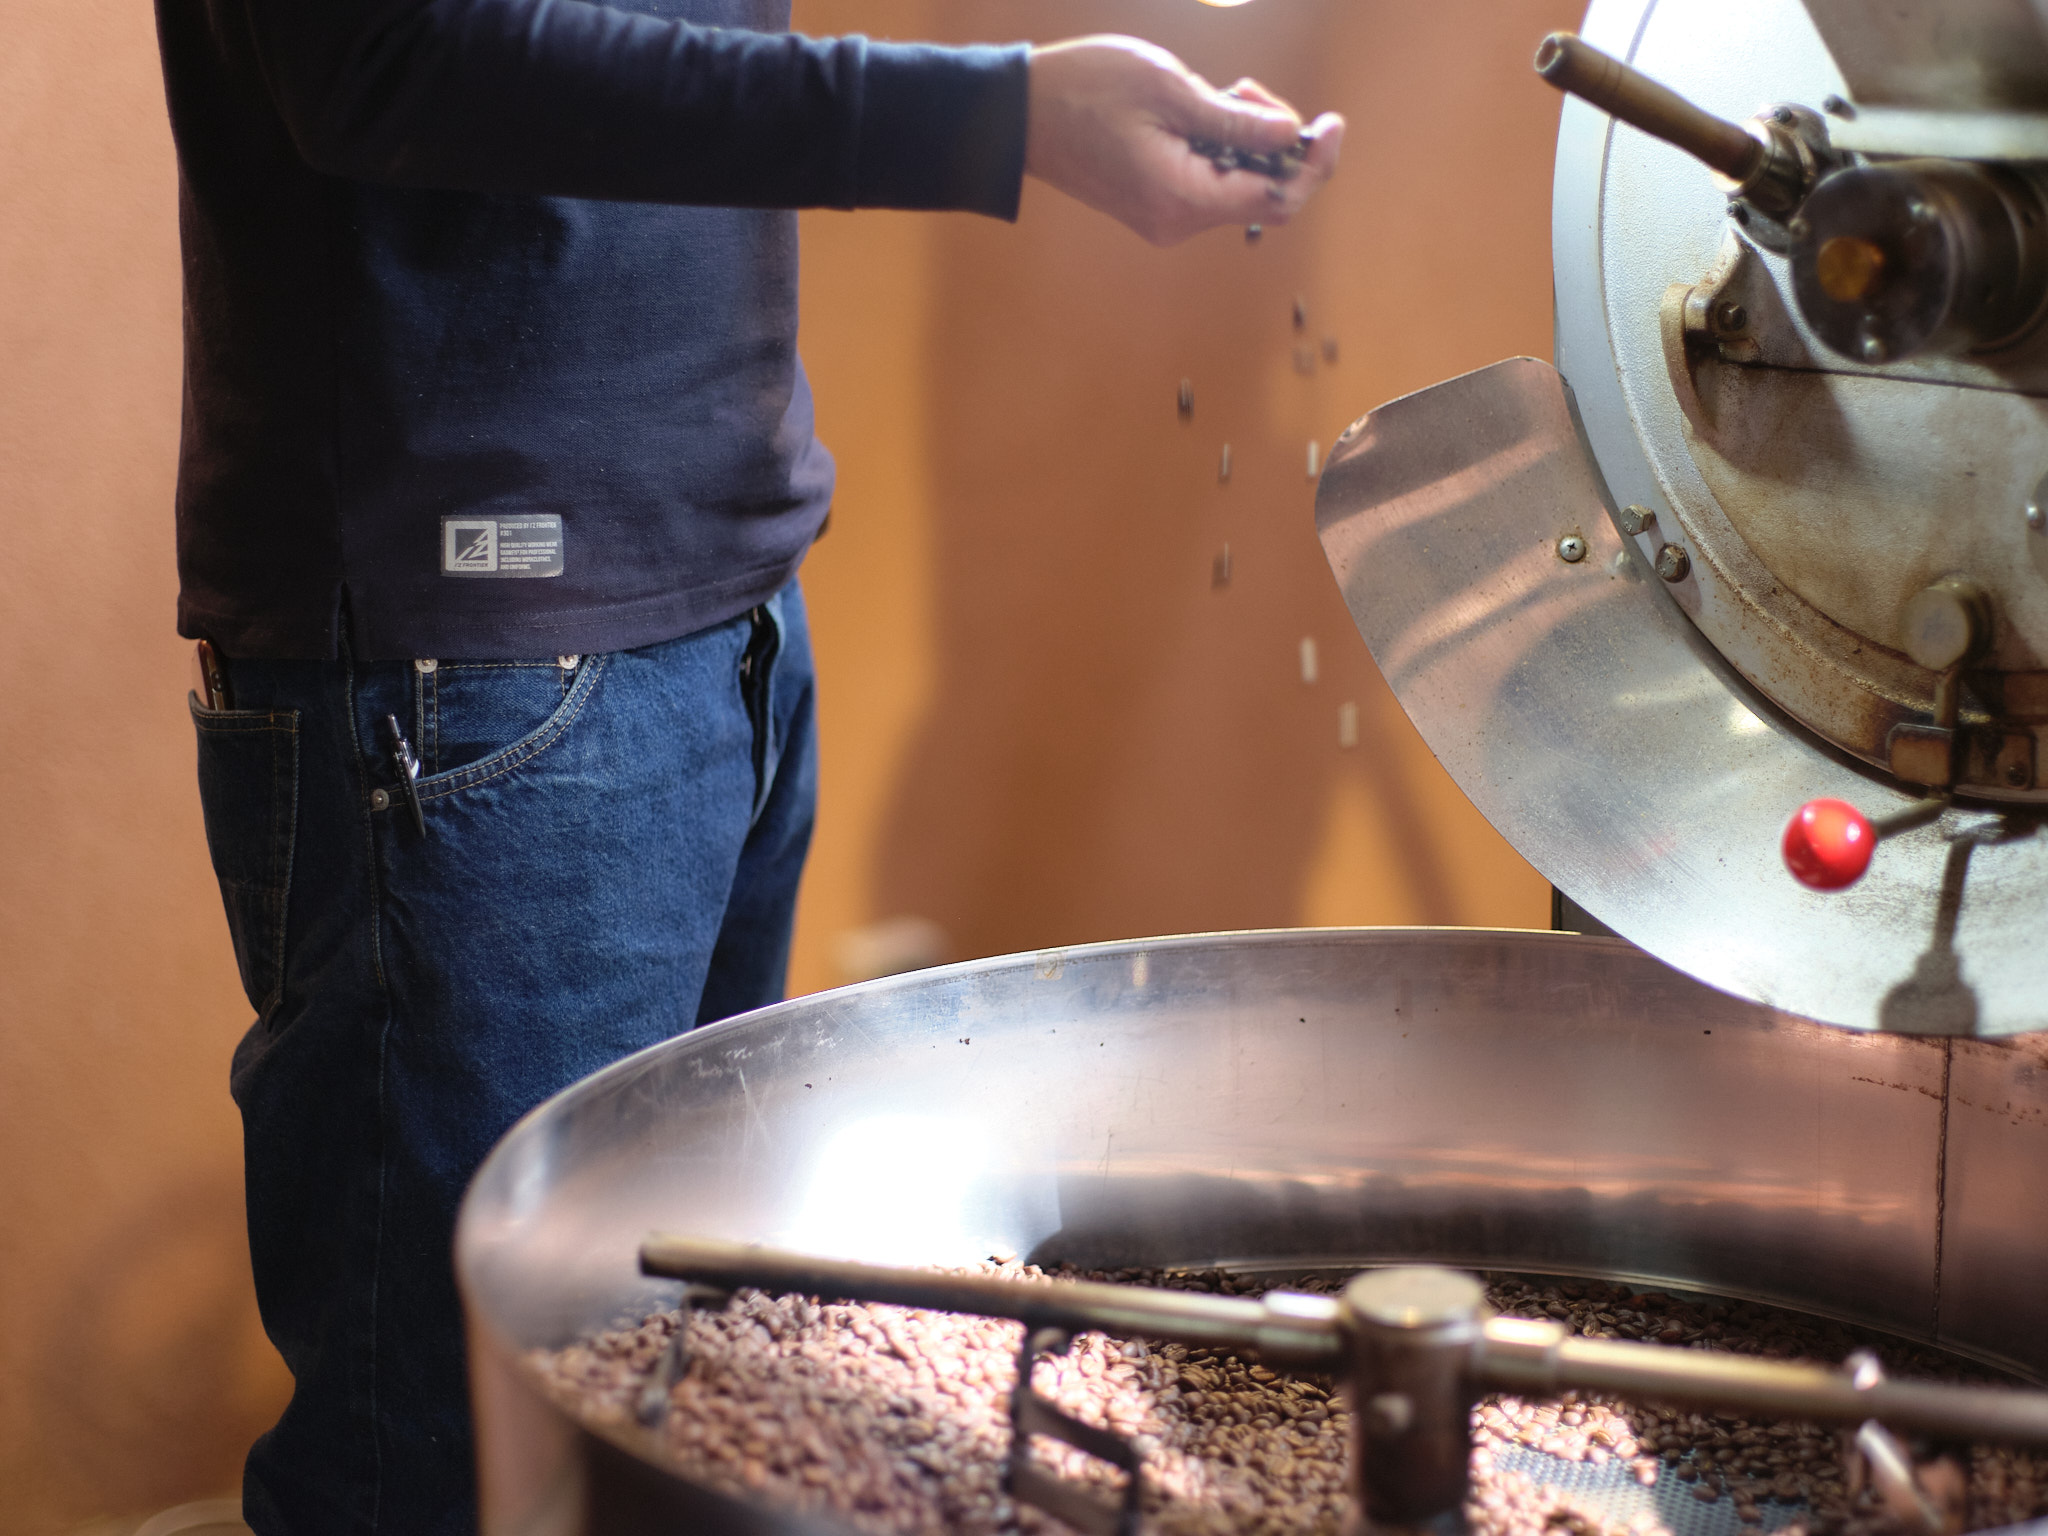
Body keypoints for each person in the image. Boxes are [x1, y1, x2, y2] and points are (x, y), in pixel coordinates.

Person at [153, 0, 1342, 1529]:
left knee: (669, 1402)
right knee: (456, 1462)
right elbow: (388, 62)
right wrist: (1000, 120)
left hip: (727, 605)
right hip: (481, 662)